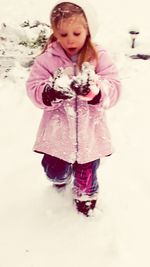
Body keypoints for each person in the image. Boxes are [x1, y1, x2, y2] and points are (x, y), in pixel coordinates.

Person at [26, 0, 121, 217]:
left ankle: (86, 197)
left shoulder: (99, 57)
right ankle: (59, 177)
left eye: (76, 33)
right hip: (58, 133)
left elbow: (114, 87)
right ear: (55, 33)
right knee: (56, 172)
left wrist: (95, 92)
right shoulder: (47, 60)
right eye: (63, 33)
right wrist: (49, 92)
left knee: (87, 171)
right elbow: (33, 87)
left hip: (90, 133)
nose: (70, 39)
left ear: (88, 30)